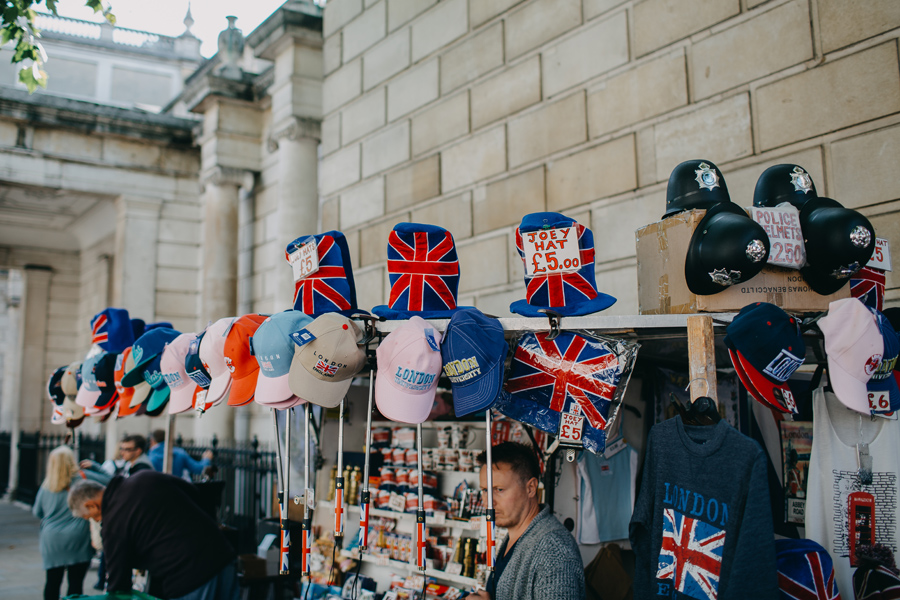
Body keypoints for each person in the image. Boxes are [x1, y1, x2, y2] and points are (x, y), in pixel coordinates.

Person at [68, 470, 238, 600]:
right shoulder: (144, 477)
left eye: (92, 517)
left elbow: (118, 581)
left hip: (189, 576)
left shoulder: (113, 523)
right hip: (221, 552)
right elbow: (194, 492)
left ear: (92, 505)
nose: (97, 521)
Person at [469, 442, 584, 600]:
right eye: (485, 490)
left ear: (530, 488)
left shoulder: (552, 549)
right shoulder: (515, 537)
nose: (489, 501)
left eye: (499, 489)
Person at [33, 446, 111, 600]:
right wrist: (96, 466)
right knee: (76, 583)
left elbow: (37, 512)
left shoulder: (47, 485)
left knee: (52, 581)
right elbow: (112, 480)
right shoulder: (84, 477)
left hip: (51, 539)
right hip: (78, 537)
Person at [147, 429, 213, 480]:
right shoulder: (179, 453)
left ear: (152, 441)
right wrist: (206, 459)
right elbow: (199, 469)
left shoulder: (150, 457)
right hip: (176, 489)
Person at [82, 434, 152, 477]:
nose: (122, 453)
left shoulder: (142, 468)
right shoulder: (131, 464)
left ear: (138, 451)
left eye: (127, 449)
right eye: (121, 449)